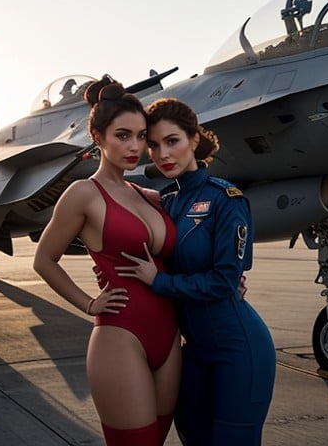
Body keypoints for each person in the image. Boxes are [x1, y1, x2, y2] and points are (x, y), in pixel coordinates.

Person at [117, 97, 276, 445]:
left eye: (172, 141)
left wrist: (159, 282)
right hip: (192, 352)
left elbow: (225, 281)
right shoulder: (167, 202)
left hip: (239, 348)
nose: (162, 154)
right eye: (154, 145)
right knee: (193, 436)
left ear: (193, 139)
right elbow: (117, 194)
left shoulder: (226, 199)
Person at [32, 77, 181, 445]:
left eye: (141, 136)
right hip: (121, 338)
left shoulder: (148, 195)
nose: (135, 147)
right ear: (97, 136)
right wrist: (88, 303)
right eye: (122, 135)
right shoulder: (83, 193)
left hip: (170, 339)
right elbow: (44, 260)